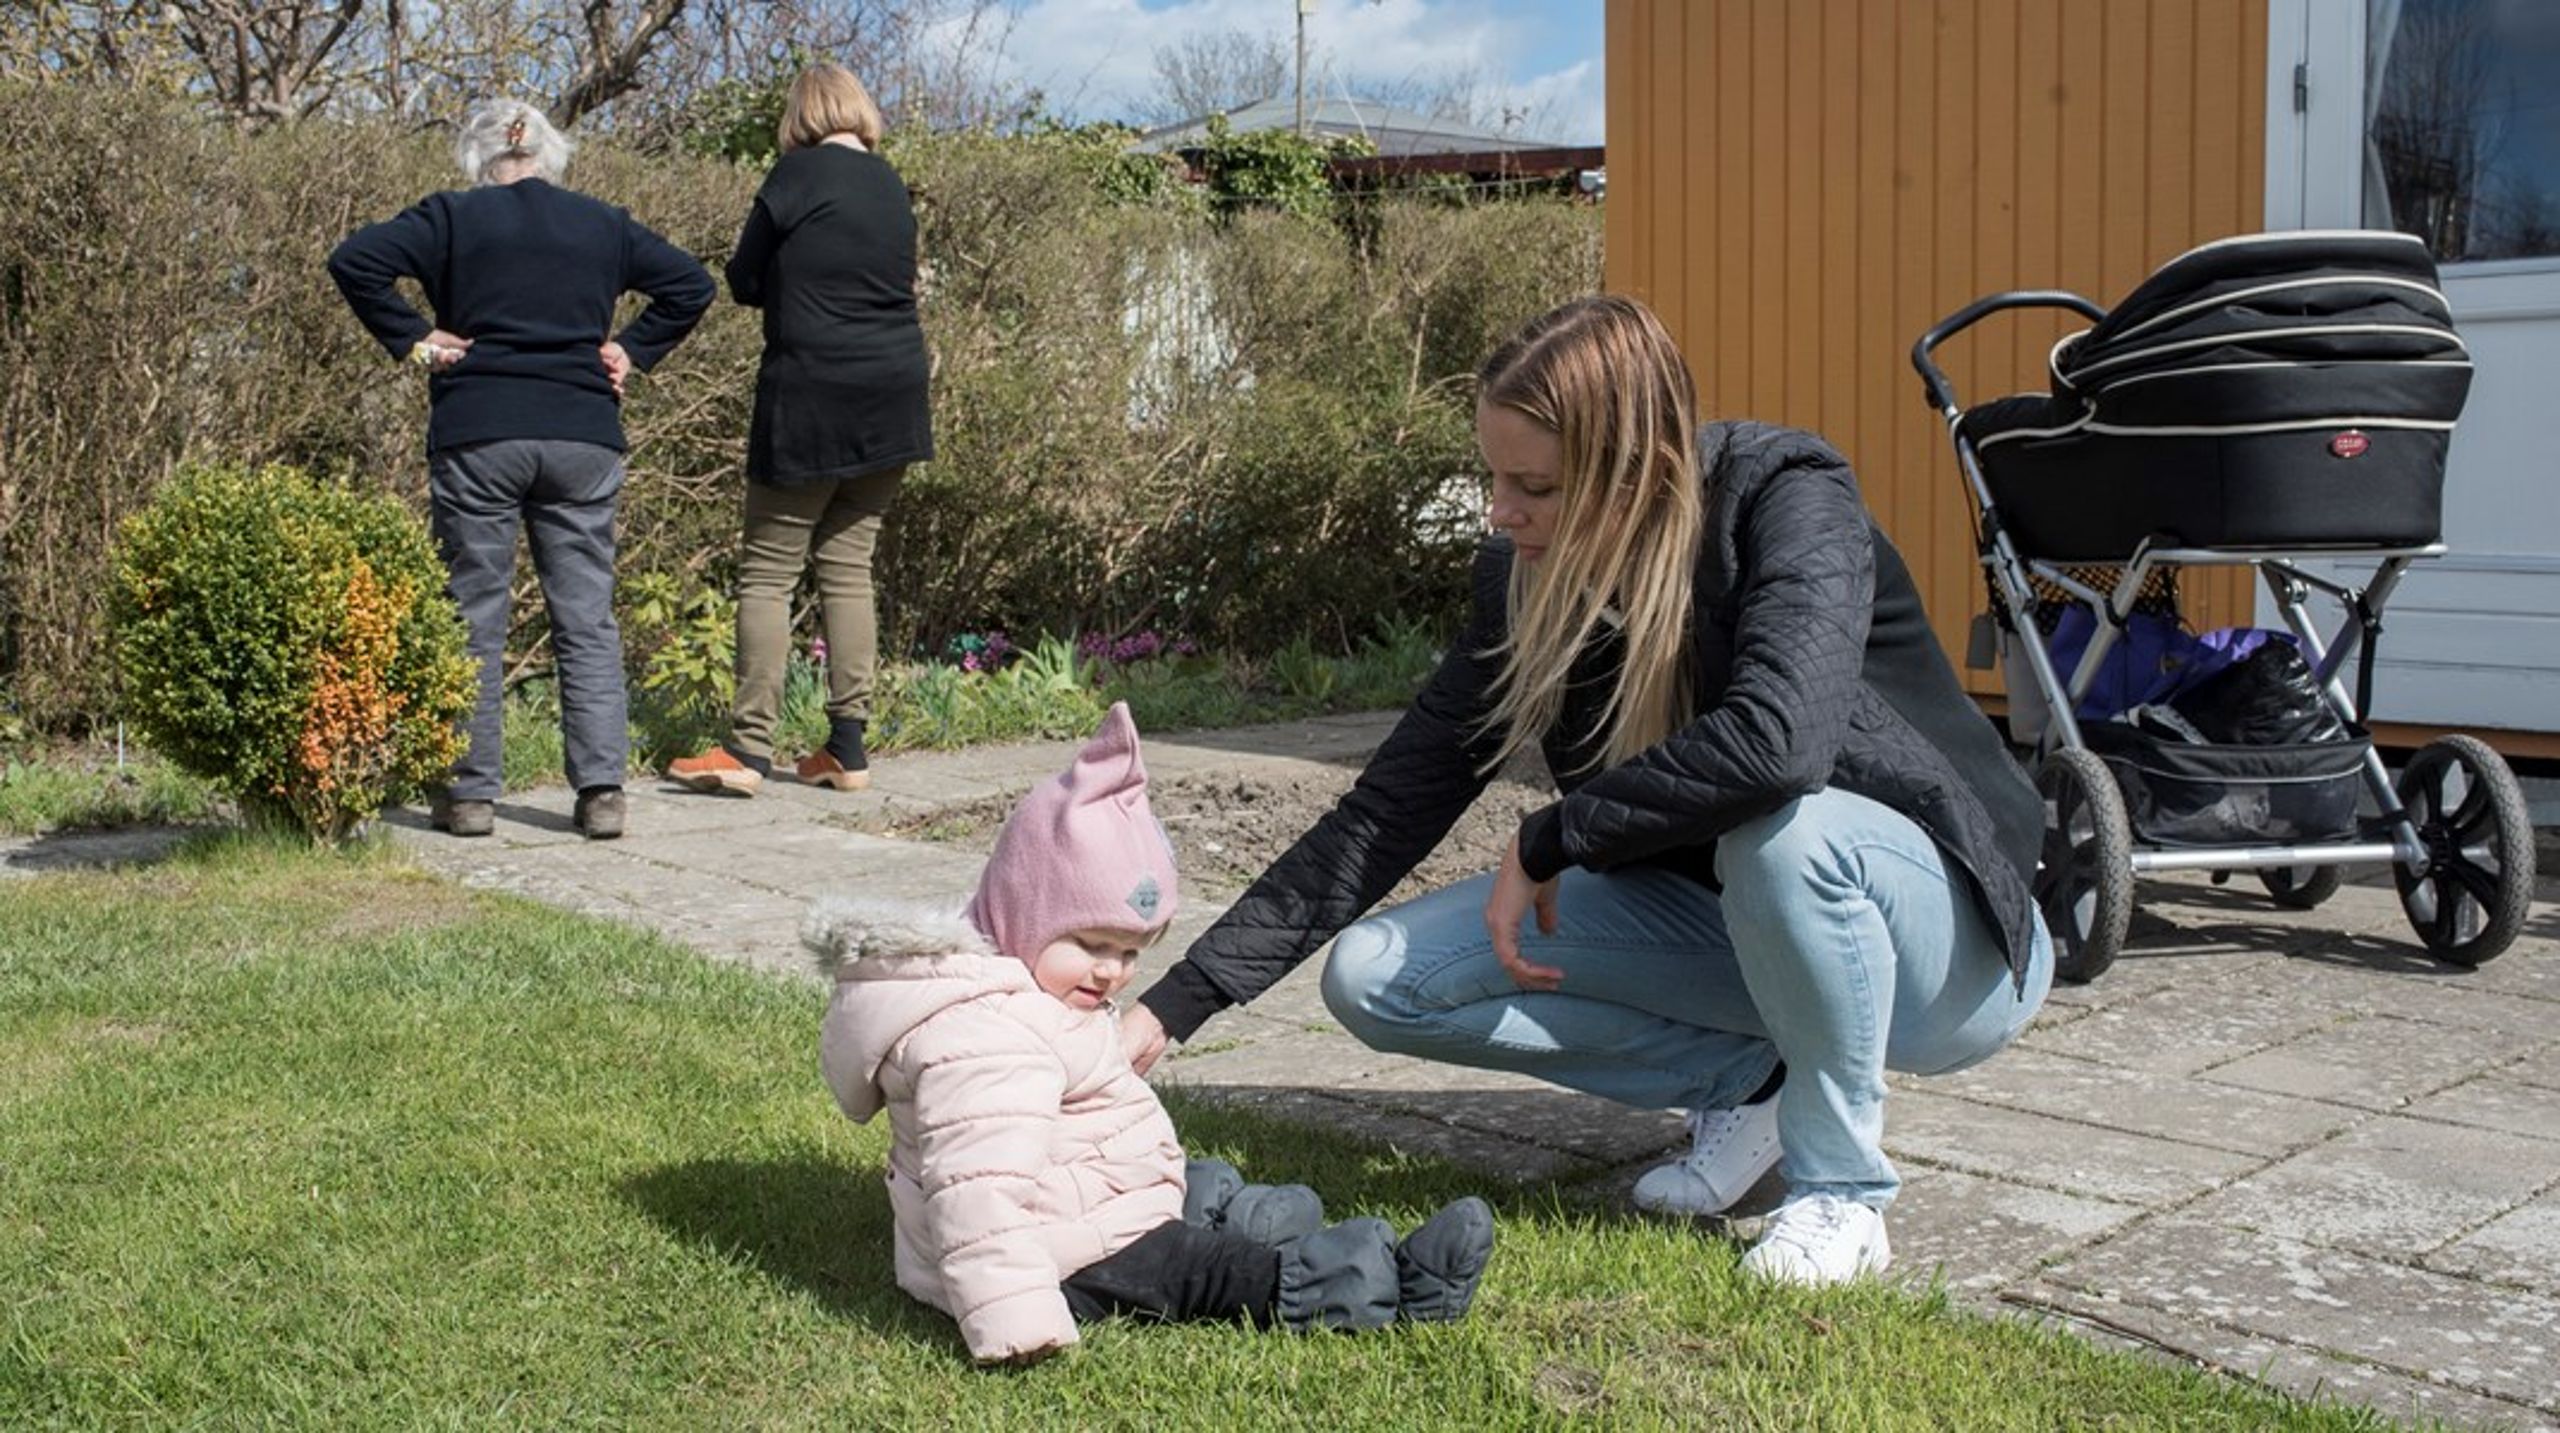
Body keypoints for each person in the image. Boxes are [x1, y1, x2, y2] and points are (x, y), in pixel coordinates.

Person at [1121, 296, 2055, 1287]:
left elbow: (1778, 746)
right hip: (1737, 930)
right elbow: (1386, 807)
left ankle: (1840, 1194)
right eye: (1494, 475)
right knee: (1377, 975)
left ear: (1638, 472)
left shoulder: (1785, 497)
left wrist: (1555, 833)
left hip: (1947, 955)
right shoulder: (1525, 577)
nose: (1500, 509)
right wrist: (1171, 1007)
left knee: (1783, 836)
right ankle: (1757, 1088)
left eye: (1535, 484)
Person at [810, 703, 1495, 1365]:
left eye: (1132, 950)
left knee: (1189, 1184)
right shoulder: (986, 1040)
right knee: (1197, 1269)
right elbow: (979, 1196)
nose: (1113, 971)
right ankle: (1380, 1284)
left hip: (1078, 1199)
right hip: (1058, 1254)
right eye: (1092, 943)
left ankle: (1227, 1208)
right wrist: (1015, 1318)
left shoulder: (1030, 985)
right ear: (1024, 912)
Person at [328, 99, 714, 841]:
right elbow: (691, 284)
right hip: (582, 437)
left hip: (481, 433)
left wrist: (416, 338)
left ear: (478, 159)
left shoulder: (450, 217)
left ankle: (470, 797)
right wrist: (632, 348)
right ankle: (602, 793)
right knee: (587, 618)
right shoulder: (603, 223)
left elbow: (354, 261)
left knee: (474, 615)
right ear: (549, 153)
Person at [668, 62, 932, 799]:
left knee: (769, 571)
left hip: (812, 392)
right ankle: (846, 747)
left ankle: (747, 750)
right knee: (849, 568)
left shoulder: (795, 176)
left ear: (803, 115)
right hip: (895, 394)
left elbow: (744, 278)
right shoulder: (890, 186)